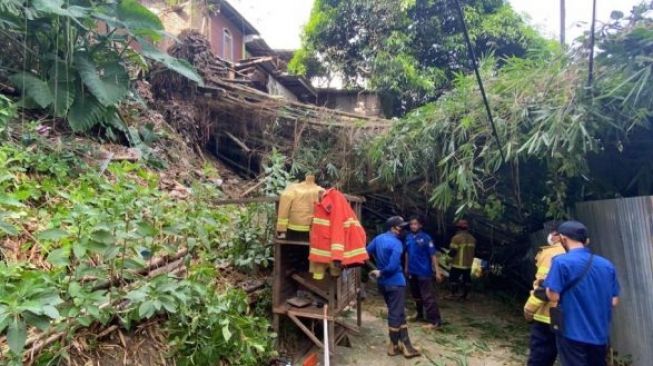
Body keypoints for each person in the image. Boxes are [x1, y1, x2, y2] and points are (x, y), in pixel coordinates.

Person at [544, 221, 620, 366]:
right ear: (585, 240)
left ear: (563, 239)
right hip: (599, 334)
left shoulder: (561, 262)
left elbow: (554, 295)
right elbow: (614, 301)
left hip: (571, 333)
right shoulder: (607, 265)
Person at [367, 216, 420, 359]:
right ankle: (393, 345)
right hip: (396, 283)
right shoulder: (397, 244)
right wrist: (382, 271)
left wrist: (376, 268)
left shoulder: (378, 239)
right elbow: (392, 266)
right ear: (392, 228)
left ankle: (407, 345)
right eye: (400, 227)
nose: (403, 230)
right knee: (395, 314)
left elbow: (366, 253)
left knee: (399, 312)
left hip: (383, 284)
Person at [524, 229, 566, 366]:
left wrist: (529, 310)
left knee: (540, 357)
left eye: (553, 233)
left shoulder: (551, 254)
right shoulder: (578, 255)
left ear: (558, 236)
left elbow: (543, 288)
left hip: (547, 315)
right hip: (566, 316)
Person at [405, 216, 444, 329]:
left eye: (415, 224)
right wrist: (406, 267)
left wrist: (437, 271)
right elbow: (407, 253)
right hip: (412, 271)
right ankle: (419, 314)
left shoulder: (426, 238)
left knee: (427, 297)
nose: (413, 226)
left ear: (420, 225)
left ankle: (435, 321)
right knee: (416, 295)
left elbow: (433, 255)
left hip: (424, 272)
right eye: (411, 224)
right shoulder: (408, 237)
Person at [447, 219, 476, 300]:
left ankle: (453, 294)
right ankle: (465, 295)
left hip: (457, 263)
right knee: (466, 280)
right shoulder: (472, 239)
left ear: (458, 228)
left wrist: (447, 259)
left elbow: (453, 251)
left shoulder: (456, 238)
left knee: (453, 279)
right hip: (468, 264)